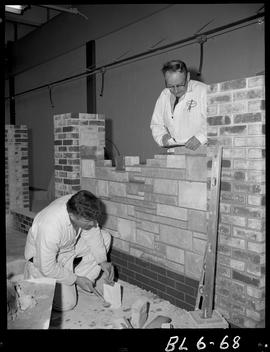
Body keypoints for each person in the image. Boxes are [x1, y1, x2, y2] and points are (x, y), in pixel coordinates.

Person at [24, 190, 114, 312]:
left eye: (94, 219)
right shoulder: (49, 226)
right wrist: (74, 279)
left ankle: (83, 281)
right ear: (72, 216)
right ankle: (34, 275)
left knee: (105, 237)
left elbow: (93, 234)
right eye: (88, 221)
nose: (94, 224)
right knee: (66, 304)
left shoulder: (79, 205)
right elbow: (47, 267)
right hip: (42, 261)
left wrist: (103, 261)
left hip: (66, 248)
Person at [150, 59, 208, 150]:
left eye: (180, 85)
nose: (176, 90)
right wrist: (162, 137)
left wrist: (201, 137)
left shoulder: (203, 91)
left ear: (188, 77)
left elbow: (215, 121)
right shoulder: (164, 95)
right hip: (174, 152)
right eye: (171, 86)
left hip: (200, 149)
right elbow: (156, 124)